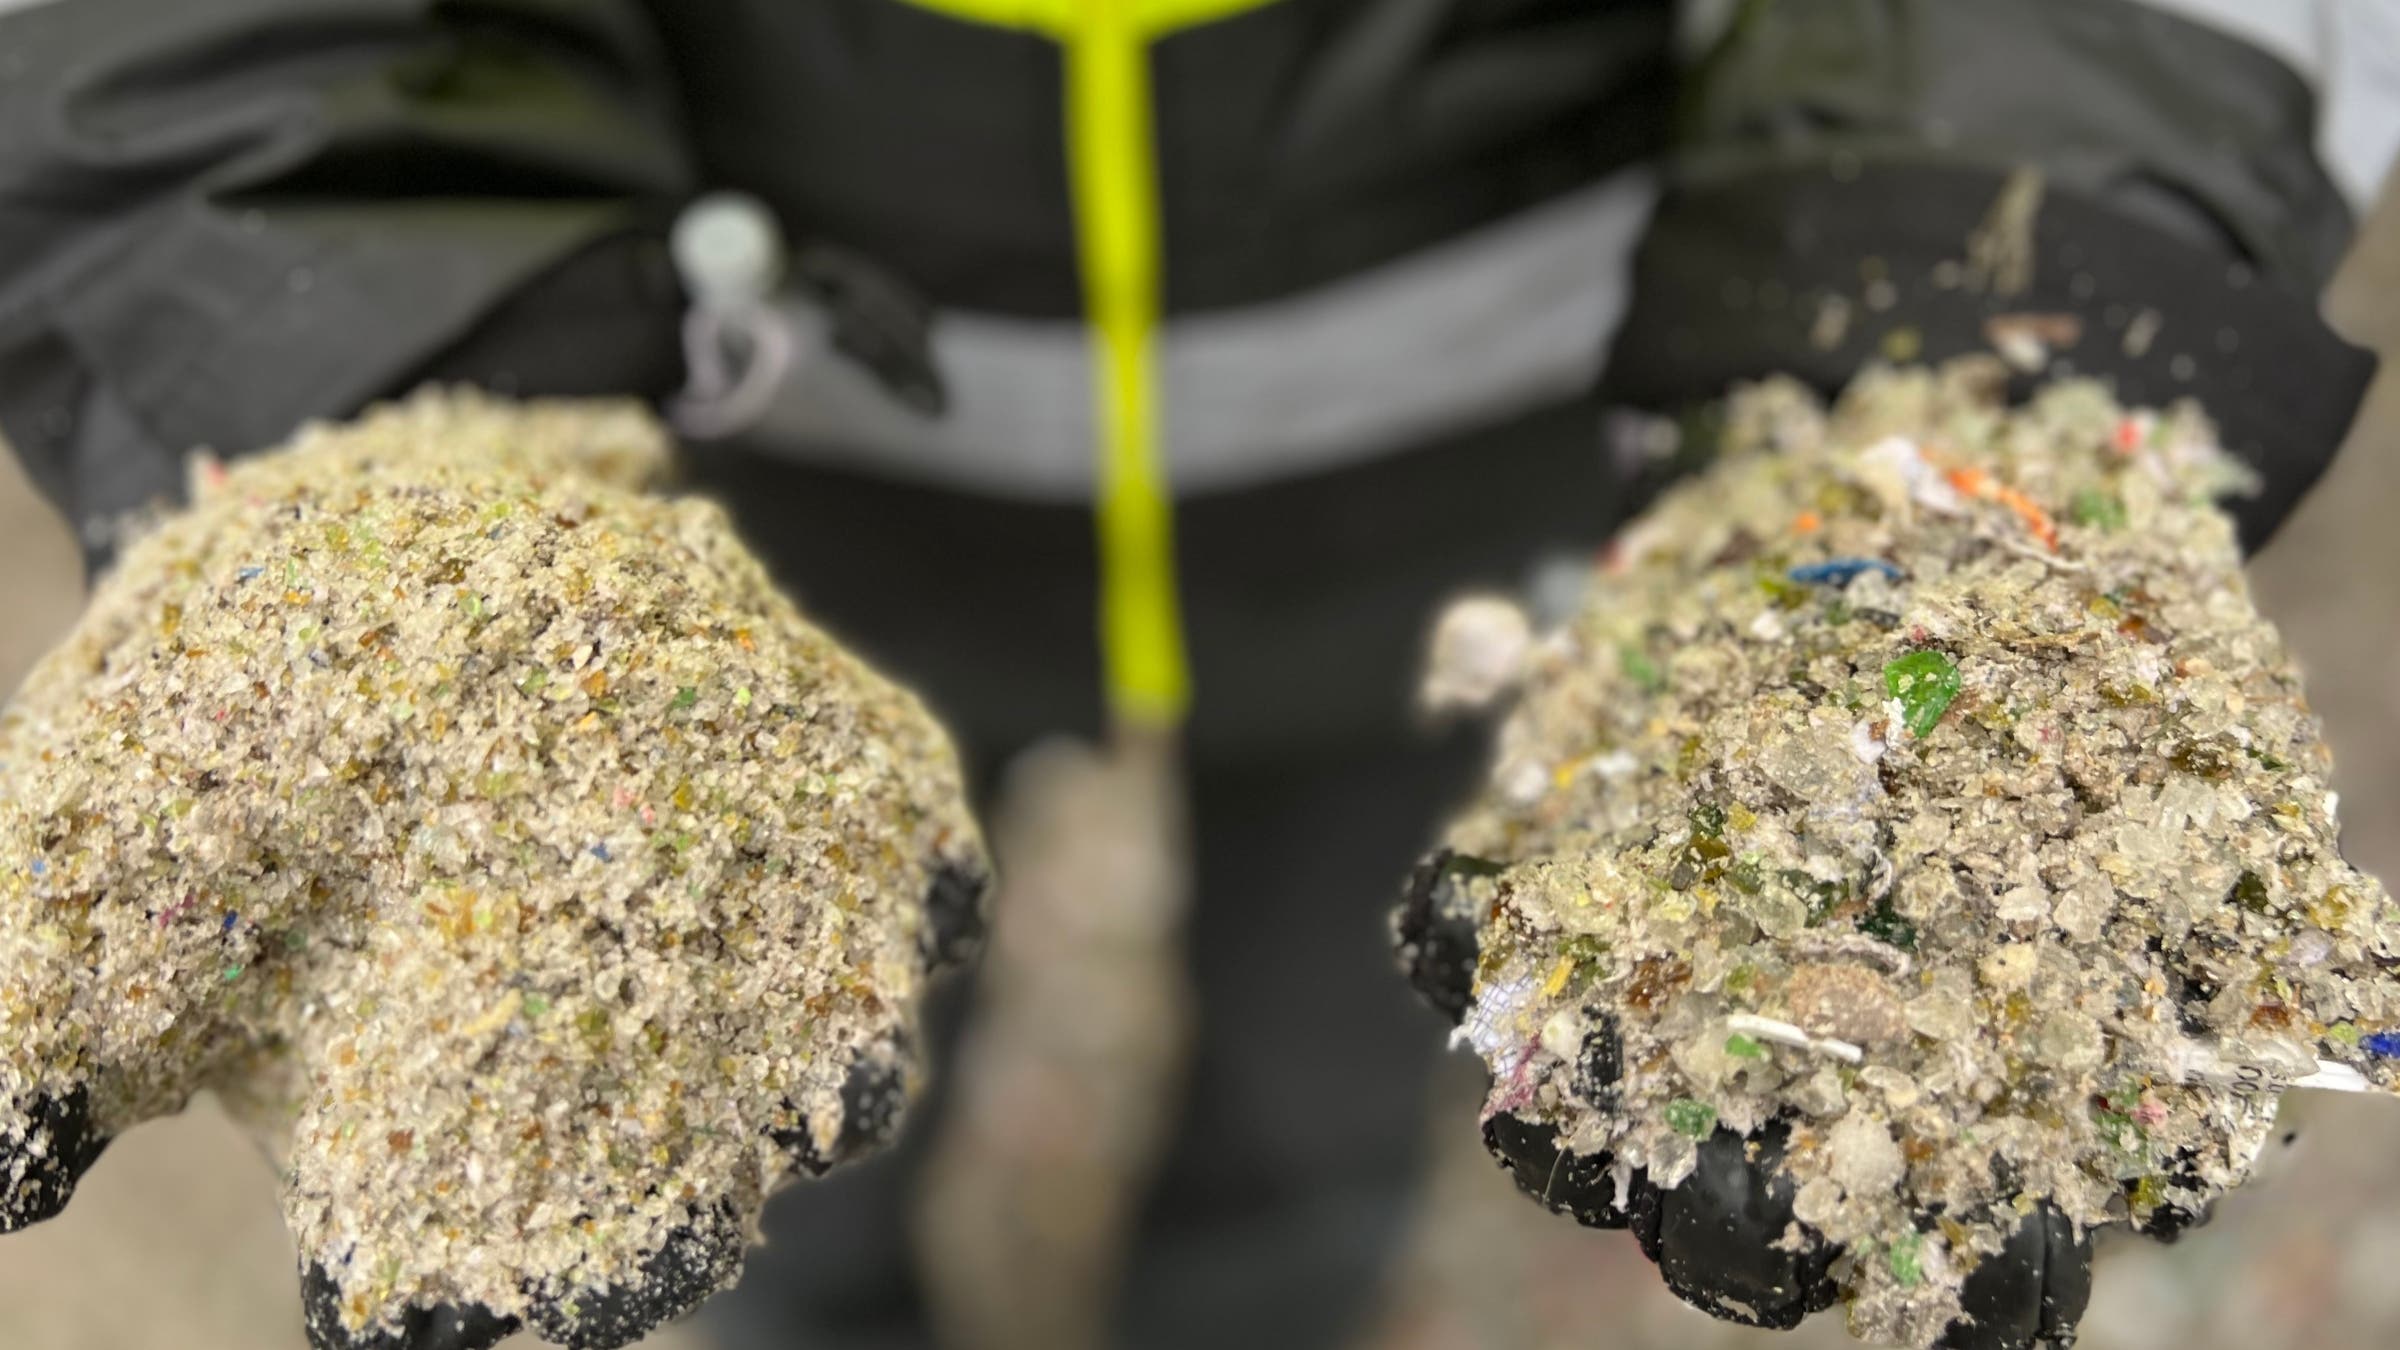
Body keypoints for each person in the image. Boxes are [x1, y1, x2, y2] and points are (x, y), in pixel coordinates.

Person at [0, 2, 2391, 1349]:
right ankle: (816, 1317)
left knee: (1341, 1056)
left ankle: (1239, 1306)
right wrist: (375, 390)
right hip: (750, 530)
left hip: (1491, 529)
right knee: (756, 1059)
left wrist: (1971, 340)